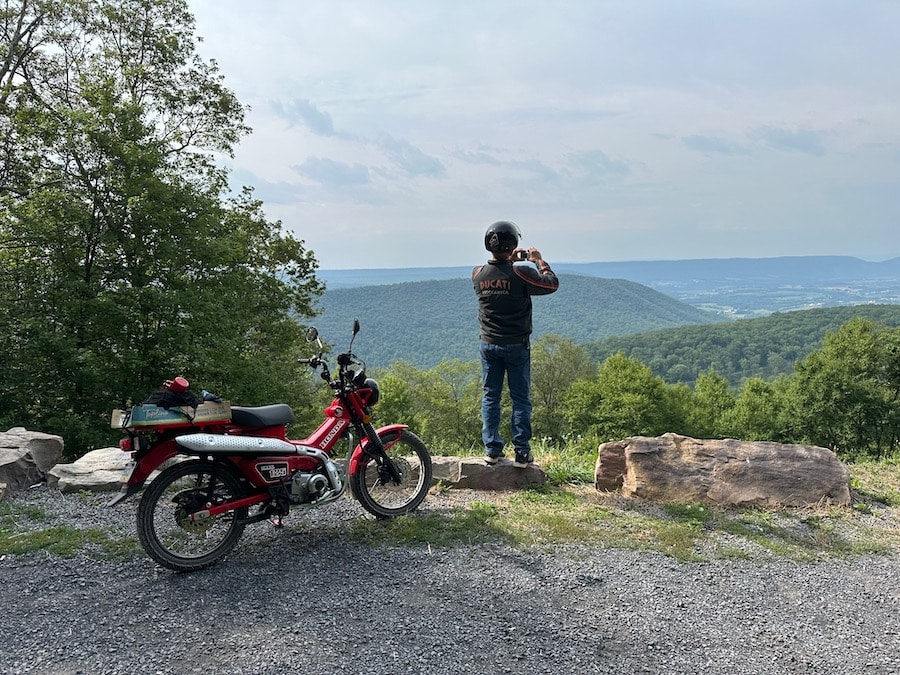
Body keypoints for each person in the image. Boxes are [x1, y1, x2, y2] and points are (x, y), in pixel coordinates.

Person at [472, 221, 559, 467]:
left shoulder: (477, 274)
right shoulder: (522, 272)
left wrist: (508, 259)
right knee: (520, 399)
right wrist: (538, 261)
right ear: (513, 244)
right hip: (517, 346)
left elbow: (500, 274)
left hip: (488, 345)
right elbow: (551, 283)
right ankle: (522, 452)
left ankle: (492, 450)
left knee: (491, 396)